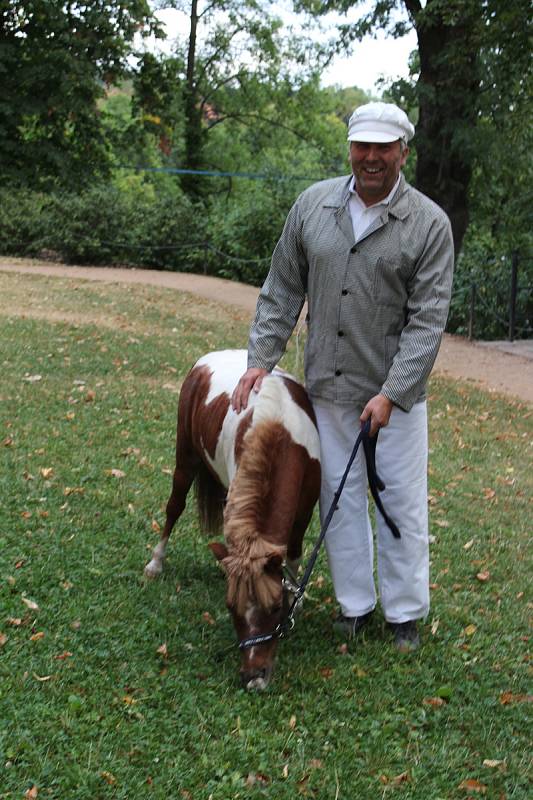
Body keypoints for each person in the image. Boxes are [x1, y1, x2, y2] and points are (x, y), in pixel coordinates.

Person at [231, 102, 454, 652]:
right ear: (350, 147)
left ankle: (404, 614)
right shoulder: (312, 206)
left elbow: (427, 322)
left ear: (404, 151)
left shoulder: (429, 224)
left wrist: (393, 393)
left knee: (398, 502)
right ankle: (354, 606)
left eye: (384, 148)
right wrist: (261, 356)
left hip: (391, 401)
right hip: (326, 391)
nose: (371, 158)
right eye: (363, 146)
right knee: (340, 499)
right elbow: (283, 287)